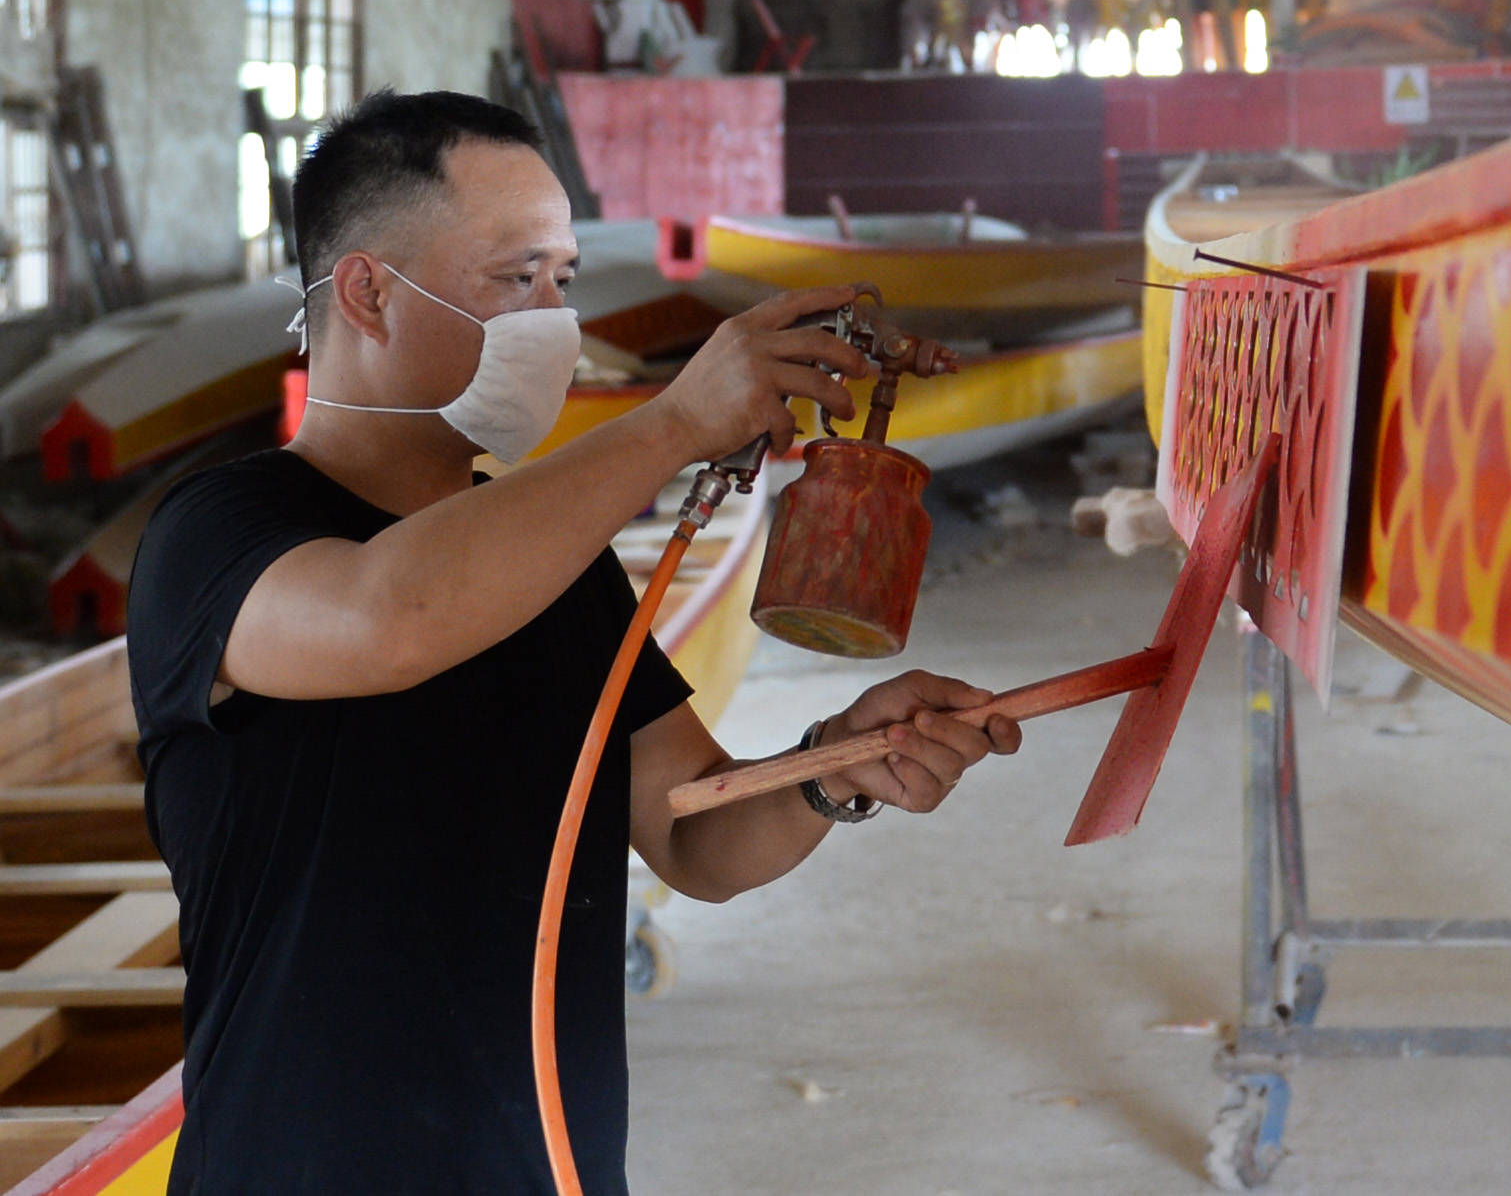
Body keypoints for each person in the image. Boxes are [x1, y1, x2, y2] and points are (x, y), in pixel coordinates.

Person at [126, 91, 1021, 1196]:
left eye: (564, 279)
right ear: (366, 290)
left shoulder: (555, 558)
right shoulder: (217, 532)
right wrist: (677, 422)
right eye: (516, 279)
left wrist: (834, 764)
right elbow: (385, 619)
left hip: (546, 1162)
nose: (554, 317)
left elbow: (695, 831)